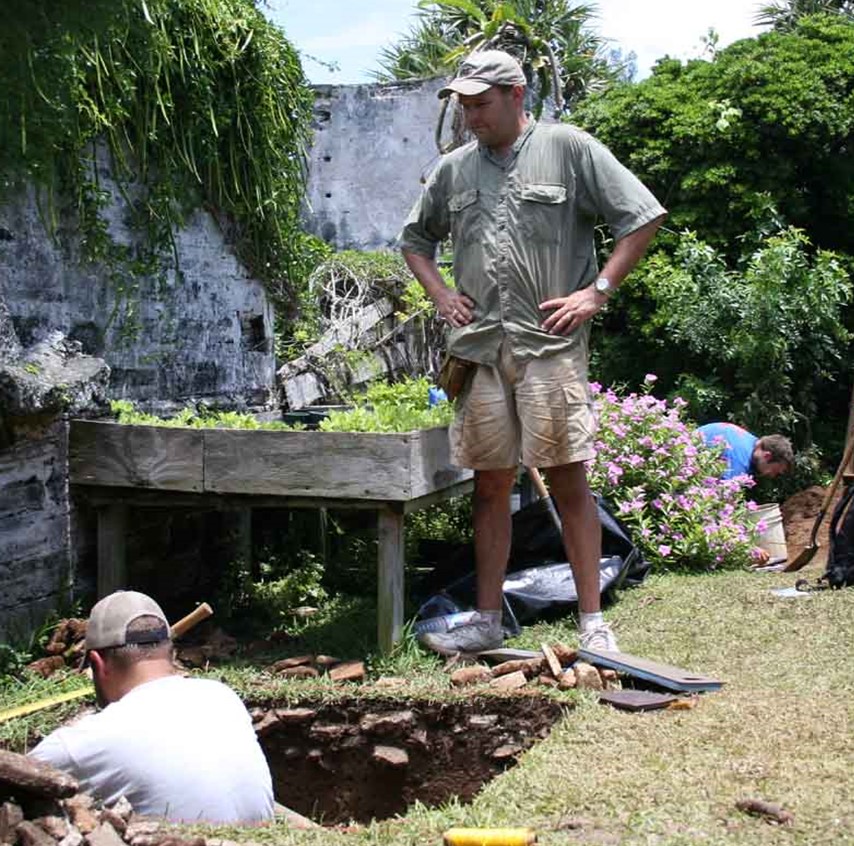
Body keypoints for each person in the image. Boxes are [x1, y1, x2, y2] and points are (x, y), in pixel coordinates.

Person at [399, 50, 666, 655]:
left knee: (569, 479)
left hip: (549, 347)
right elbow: (415, 240)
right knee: (490, 486)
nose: (470, 117)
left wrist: (596, 293)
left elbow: (642, 217)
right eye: (463, 107)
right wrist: (441, 294)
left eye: (481, 104)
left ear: (516, 95)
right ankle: (487, 619)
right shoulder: (453, 171)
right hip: (481, 351)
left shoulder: (569, 148)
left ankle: (593, 622)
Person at [30, 591, 274, 824]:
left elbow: (17, 783)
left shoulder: (78, 745)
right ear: (171, 652)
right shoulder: (223, 697)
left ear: (97, 664)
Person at [698, 423, 793, 481]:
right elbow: (723, 493)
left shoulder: (749, 442)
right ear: (767, 456)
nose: (772, 475)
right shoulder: (740, 459)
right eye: (774, 471)